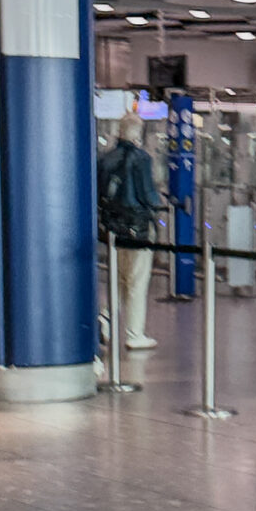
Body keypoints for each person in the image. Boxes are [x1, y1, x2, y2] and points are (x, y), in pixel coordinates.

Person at [98, 116, 161, 351]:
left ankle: (105, 319)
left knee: (118, 279)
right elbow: (147, 195)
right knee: (136, 282)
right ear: (138, 134)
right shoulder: (141, 159)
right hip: (138, 228)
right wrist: (157, 205)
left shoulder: (105, 159)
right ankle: (134, 334)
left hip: (113, 230)